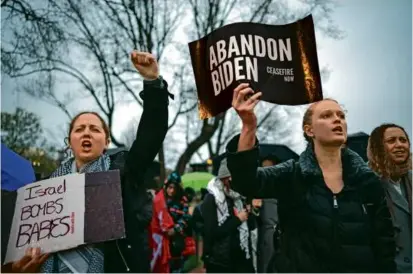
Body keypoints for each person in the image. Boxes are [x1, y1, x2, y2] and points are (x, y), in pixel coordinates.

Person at [6, 51, 171, 273]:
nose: (86, 133)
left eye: (94, 129)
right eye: (79, 129)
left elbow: (151, 135)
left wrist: (153, 83)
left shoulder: (124, 171)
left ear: (106, 141)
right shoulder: (45, 192)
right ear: (69, 142)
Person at [225, 83, 396, 272]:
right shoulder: (292, 174)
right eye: (326, 115)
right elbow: (246, 182)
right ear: (309, 130)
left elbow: (384, 244)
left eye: (341, 116)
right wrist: (249, 126)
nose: (337, 120)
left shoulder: (366, 179)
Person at [199, 158, 257, 273]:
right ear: (221, 178)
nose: (231, 180)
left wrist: (251, 212)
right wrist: (237, 219)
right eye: (227, 177)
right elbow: (212, 233)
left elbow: (250, 227)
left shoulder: (239, 197)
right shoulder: (211, 198)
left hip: (242, 257)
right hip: (221, 262)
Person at [367, 123, 412, 273]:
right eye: (391, 141)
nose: (399, 145)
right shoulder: (367, 184)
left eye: (403, 140)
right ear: (378, 148)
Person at [150, 172, 195, 273]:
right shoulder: (160, 199)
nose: (172, 191)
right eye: (170, 187)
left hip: (176, 241)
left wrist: (175, 229)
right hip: (161, 240)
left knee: (176, 268)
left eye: (174, 188)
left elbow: (185, 218)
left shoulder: (182, 201)